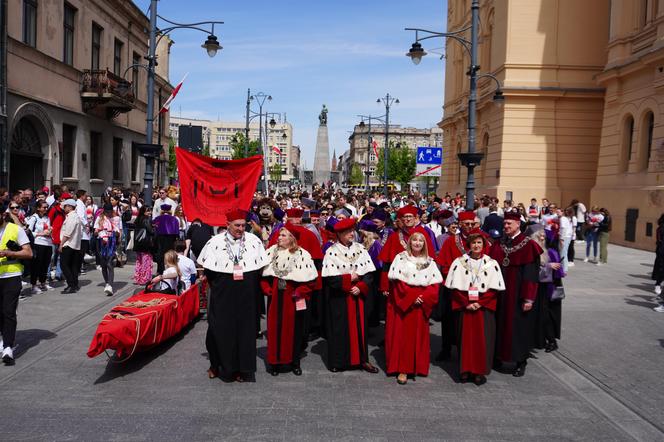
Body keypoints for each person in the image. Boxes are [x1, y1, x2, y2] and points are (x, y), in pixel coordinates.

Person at [198, 209, 268, 382]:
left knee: (245, 331)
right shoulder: (215, 242)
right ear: (227, 224)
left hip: (246, 293)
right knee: (219, 329)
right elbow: (208, 269)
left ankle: (242, 369)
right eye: (237, 225)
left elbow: (260, 268)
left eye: (243, 225)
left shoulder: (253, 241)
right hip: (223, 292)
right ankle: (218, 365)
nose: (241, 229)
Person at [445, 230, 504, 385]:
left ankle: (479, 371)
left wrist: (480, 302)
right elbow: (455, 288)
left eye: (479, 242)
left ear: (483, 244)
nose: (476, 245)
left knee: (483, 340)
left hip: (483, 307)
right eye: (474, 243)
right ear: (469, 245)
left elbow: (494, 289)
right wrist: (466, 303)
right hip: (465, 306)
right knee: (465, 340)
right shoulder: (459, 262)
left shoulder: (492, 263)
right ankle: (465, 370)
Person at [321, 217, 378, 373]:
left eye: (351, 231)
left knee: (361, 329)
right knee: (340, 329)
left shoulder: (360, 248)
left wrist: (360, 286)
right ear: (338, 234)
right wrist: (349, 279)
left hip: (358, 295)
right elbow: (330, 280)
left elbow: (369, 274)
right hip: (340, 297)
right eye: (346, 232)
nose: (351, 234)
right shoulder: (331, 252)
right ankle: (338, 362)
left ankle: (363, 360)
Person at [489, 211, 542, 377]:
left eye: (509, 224)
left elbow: (531, 274)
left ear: (518, 224)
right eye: (504, 224)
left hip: (518, 293)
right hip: (500, 293)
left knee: (518, 328)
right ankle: (497, 357)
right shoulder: (499, 244)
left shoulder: (528, 245)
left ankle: (520, 361)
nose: (505, 227)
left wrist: (528, 298)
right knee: (498, 324)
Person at [385, 232, 442, 385]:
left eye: (420, 241)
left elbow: (434, 285)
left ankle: (417, 366)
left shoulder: (430, 262)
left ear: (425, 244)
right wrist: (411, 297)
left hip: (421, 303)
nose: (417, 243)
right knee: (403, 337)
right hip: (404, 302)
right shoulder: (401, 258)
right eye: (414, 240)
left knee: (418, 336)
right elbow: (397, 283)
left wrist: (422, 298)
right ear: (409, 242)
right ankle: (403, 369)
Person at [261, 224, 317, 376]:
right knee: (274, 329)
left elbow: (311, 281)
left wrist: (300, 291)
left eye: (283, 235)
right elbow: (261, 274)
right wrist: (266, 288)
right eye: (279, 235)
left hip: (293, 298)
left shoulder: (302, 254)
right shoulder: (271, 251)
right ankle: (274, 363)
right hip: (275, 297)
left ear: (292, 238)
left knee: (294, 331)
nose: (279, 238)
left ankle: (294, 362)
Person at [435, 211, 490, 361]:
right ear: (460, 224)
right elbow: (444, 265)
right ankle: (446, 349)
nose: (469, 227)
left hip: (475, 289)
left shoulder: (481, 240)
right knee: (448, 320)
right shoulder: (451, 241)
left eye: (472, 224)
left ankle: (465, 351)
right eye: (466, 224)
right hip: (453, 288)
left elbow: (488, 262)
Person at [0, 209, 33, 365]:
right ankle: (4, 339)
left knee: (8, 311)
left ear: (2, 215)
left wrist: (8, 252)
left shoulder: (15, 229)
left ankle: (8, 347)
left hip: (11, 276)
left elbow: (29, 253)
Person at [25, 201, 53, 294]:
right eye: (44, 207)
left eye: (46, 207)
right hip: (38, 243)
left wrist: (49, 230)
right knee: (37, 265)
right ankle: (34, 285)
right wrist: (39, 233)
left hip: (48, 243)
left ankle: (43, 283)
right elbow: (28, 231)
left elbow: (48, 228)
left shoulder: (47, 217)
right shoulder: (34, 218)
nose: (45, 209)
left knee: (46, 264)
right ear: (38, 208)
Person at [94, 203, 121, 296]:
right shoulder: (99, 219)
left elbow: (118, 233)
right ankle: (107, 283)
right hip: (101, 242)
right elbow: (95, 233)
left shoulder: (115, 219)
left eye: (110, 211)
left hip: (111, 243)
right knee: (103, 264)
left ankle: (110, 284)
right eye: (107, 212)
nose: (109, 213)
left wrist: (116, 233)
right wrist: (98, 231)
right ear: (104, 211)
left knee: (109, 263)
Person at [59, 198, 82, 294]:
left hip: (69, 244)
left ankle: (71, 285)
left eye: (65, 206)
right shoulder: (73, 216)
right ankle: (74, 285)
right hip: (74, 245)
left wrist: (61, 244)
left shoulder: (72, 217)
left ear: (69, 206)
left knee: (64, 265)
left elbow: (68, 232)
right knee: (73, 266)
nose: (64, 208)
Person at [153, 204, 179, 274]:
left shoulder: (157, 218)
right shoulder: (174, 219)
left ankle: (160, 270)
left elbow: (153, 227)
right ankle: (170, 269)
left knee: (161, 254)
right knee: (169, 254)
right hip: (171, 239)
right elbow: (177, 232)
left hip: (160, 239)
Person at [133, 206, 155, 286]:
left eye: (150, 211)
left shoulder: (138, 219)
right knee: (146, 260)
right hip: (145, 243)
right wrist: (155, 228)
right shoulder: (146, 219)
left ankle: (138, 277)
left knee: (139, 261)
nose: (150, 213)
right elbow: (151, 231)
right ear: (143, 212)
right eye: (148, 211)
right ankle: (145, 279)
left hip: (138, 243)